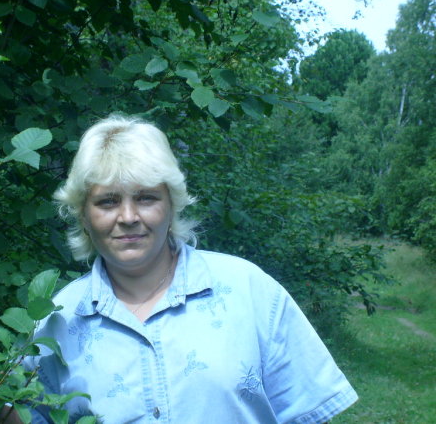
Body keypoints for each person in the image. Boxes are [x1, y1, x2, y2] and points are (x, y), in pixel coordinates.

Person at [22, 114, 358, 423]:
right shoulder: (56, 321)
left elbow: (307, 413)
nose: (128, 217)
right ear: (83, 215)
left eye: (146, 198)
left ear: (172, 205)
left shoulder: (249, 290)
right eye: (108, 201)